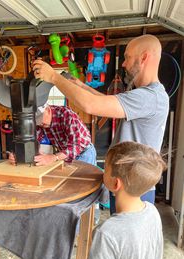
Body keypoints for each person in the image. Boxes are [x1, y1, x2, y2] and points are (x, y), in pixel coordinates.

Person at [33, 34, 169, 211]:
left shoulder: (149, 97)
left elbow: (91, 105)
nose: (123, 64)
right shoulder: (148, 94)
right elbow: (108, 101)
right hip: (128, 184)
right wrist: (81, 86)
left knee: (122, 235)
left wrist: (54, 77)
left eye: (127, 57)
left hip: (134, 187)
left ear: (144, 58)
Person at [84, 141, 166, 259]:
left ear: (116, 184)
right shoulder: (152, 213)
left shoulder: (107, 233)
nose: (102, 171)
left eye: (104, 168)